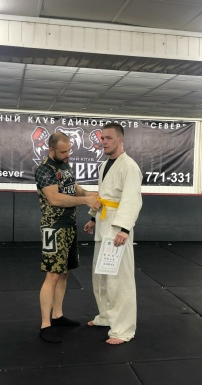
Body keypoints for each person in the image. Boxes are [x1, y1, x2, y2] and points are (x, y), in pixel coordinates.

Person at [35, 131, 101, 343]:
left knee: (64, 273)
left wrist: (88, 194)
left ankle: (57, 315)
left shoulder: (65, 165)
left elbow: (73, 187)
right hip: (53, 228)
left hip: (69, 226)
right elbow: (54, 198)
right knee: (52, 275)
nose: (67, 155)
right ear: (51, 149)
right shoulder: (45, 169)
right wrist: (85, 201)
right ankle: (45, 324)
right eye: (63, 152)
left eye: (69, 151)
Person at [84, 122, 143, 345]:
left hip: (118, 229)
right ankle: (107, 316)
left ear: (120, 139)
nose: (104, 142)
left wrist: (124, 228)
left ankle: (123, 329)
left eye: (108, 138)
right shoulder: (105, 165)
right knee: (101, 276)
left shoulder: (129, 166)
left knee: (119, 280)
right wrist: (92, 217)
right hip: (103, 224)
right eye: (102, 138)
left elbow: (132, 199)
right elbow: (103, 195)